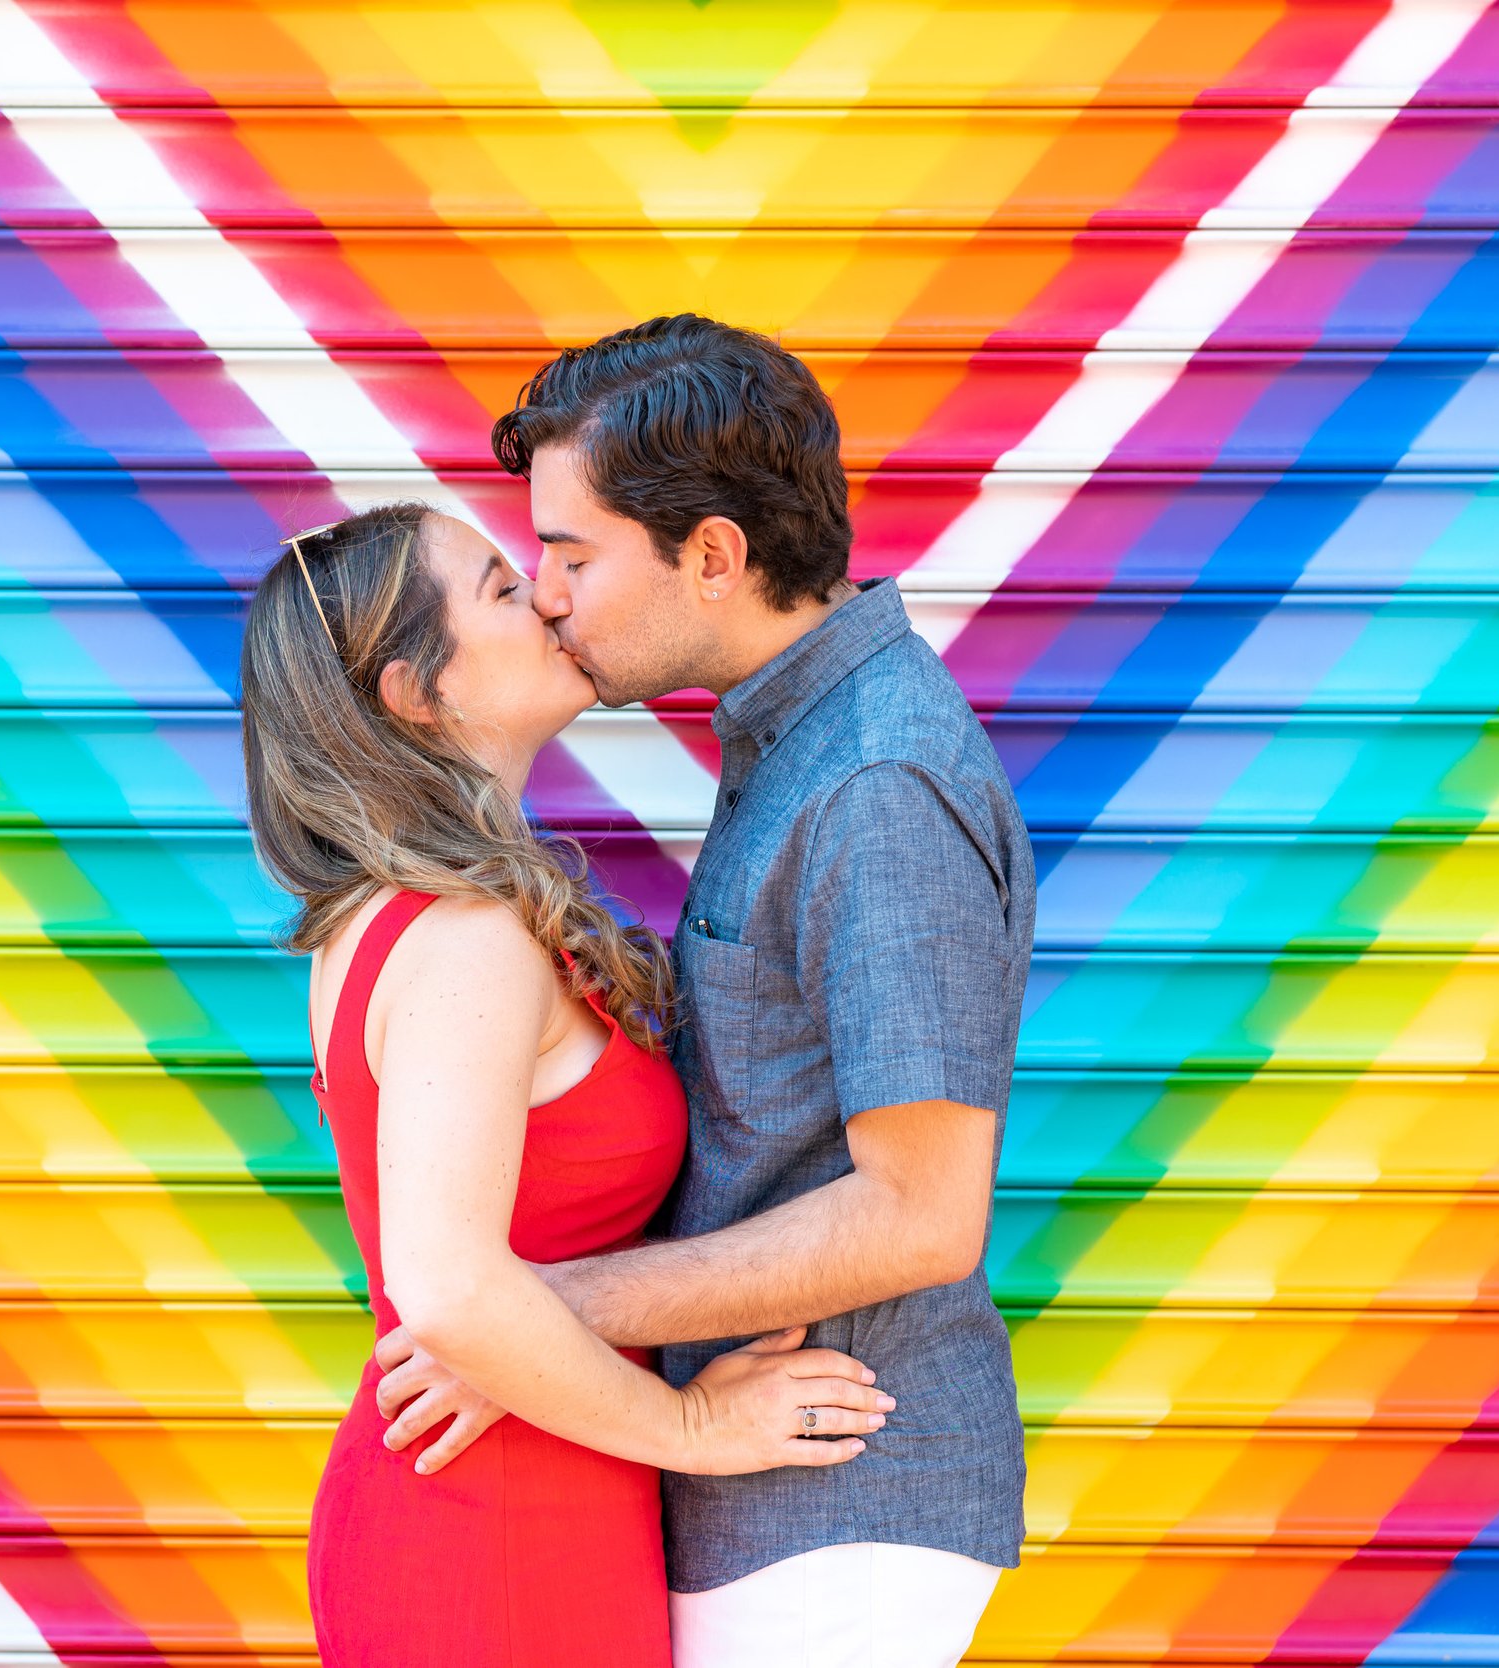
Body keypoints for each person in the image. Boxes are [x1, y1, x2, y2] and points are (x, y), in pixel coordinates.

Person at [372, 315, 1037, 1668]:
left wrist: (540, 1312)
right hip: (777, 1488)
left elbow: (922, 1215)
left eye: (571, 555)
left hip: (843, 1485)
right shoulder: (799, 742)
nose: (548, 593)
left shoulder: (875, 784)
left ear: (715, 557)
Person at [241, 501, 896, 1668]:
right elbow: (444, 1291)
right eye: (500, 588)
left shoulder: (415, 918)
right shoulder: (462, 935)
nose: (548, 596)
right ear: (415, 691)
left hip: (525, 1504)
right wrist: (694, 1425)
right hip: (488, 1543)